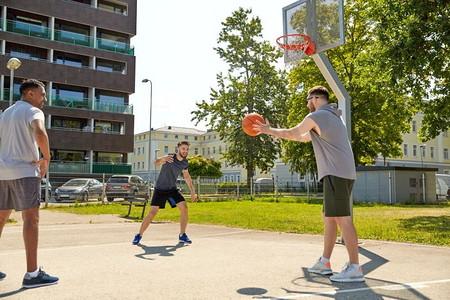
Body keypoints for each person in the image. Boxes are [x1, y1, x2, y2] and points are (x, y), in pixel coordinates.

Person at [254, 86, 365, 283]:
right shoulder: (332, 115)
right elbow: (303, 137)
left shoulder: (319, 115)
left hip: (335, 173)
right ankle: (325, 262)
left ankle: (355, 267)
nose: (307, 105)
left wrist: (268, 130)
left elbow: (294, 131)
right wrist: (279, 133)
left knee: (342, 218)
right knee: (329, 217)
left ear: (315, 99)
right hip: (340, 173)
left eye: (307, 101)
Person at [0, 79, 59, 288]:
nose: (45, 99)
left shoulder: (5, 113)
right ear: (30, 94)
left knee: (0, 217)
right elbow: (40, 132)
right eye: (42, 94)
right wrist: (47, 158)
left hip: (2, 172)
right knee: (31, 220)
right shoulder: (33, 111)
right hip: (25, 170)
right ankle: (33, 275)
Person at [133, 140, 196, 245]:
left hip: (172, 189)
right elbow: (156, 162)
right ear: (178, 149)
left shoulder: (185, 162)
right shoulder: (170, 157)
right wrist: (163, 159)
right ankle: (139, 235)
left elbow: (186, 176)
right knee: (152, 213)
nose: (185, 151)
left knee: (184, 208)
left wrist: (192, 191)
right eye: (183, 149)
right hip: (160, 189)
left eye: (187, 149)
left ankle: (182, 235)